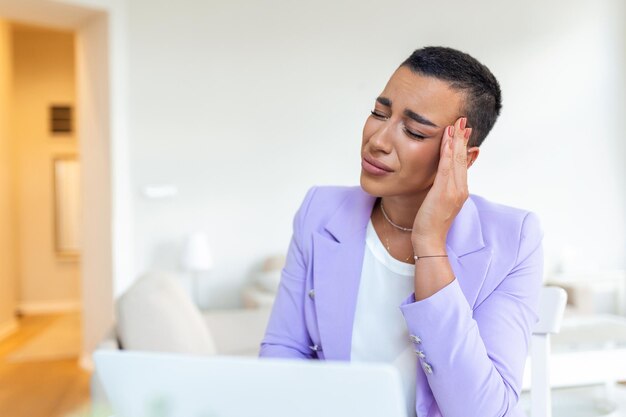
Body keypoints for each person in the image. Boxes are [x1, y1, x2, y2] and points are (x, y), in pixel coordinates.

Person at [259, 46, 543, 417]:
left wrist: (429, 244)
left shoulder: (514, 239)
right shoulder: (319, 211)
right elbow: (282, 353)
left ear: (462, 157)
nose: (378, 140)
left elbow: (483, 411)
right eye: (379, 113)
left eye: (413, 130)